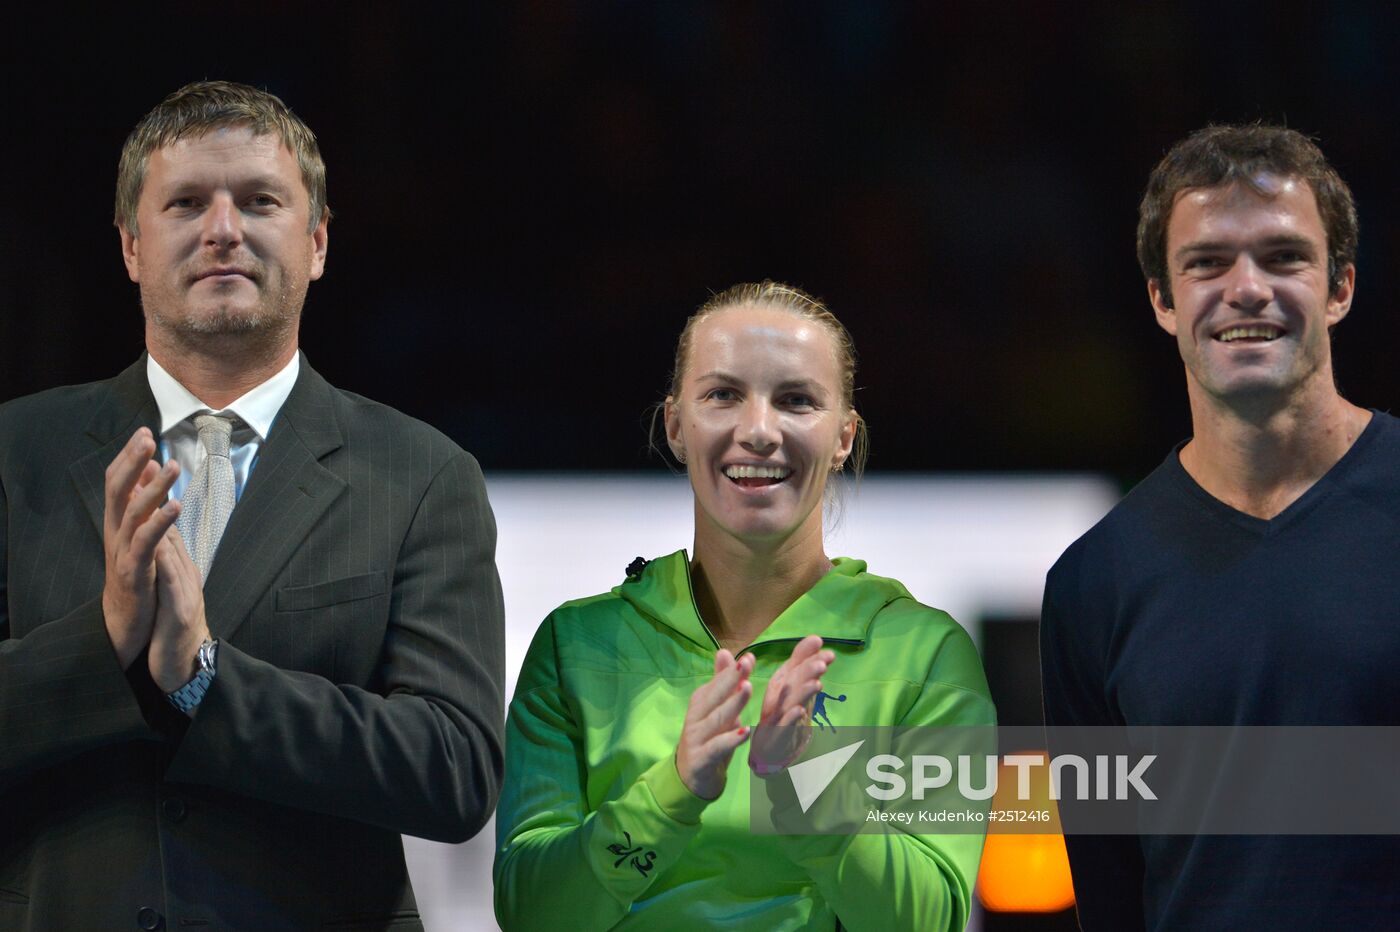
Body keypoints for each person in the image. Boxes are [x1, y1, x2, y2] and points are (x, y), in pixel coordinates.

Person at [0, 81, 505, 931]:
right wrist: (106, 642)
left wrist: (207, 677)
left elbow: (453, 771)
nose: (223, 229)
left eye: (260, 201)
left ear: (316, 242)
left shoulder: (420, 473)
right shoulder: (18, 454)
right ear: (130, 246)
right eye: (187, 202)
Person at [494, 281, 996, 930]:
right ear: (676, 424)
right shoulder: (574, 645)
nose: (758, 430)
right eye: (723, 395)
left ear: (844, 437)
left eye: (795, 401)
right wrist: (671, 792)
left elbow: (933, 920)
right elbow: (531, 912)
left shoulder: (927, 655)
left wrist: (811, 789)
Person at [1040, 124, 1400, 930]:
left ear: (1340, 287)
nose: (1246, 288)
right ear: (1163, 301)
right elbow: (1110, 895)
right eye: (1207, 262)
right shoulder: (1093, 584)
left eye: (1283, 257)